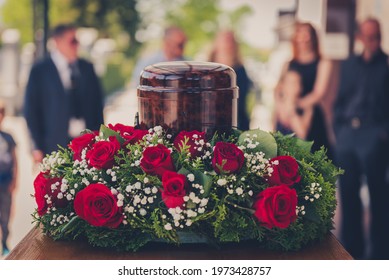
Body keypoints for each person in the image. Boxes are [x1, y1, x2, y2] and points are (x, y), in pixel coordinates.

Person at [333, 18, 389, 260]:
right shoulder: (349, 65)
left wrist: (382, 133)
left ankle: (379, 255)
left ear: (381, 37)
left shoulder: (386, 65)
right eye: (368, 36)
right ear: (360, 37)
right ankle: (350, 251)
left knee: (378, 196)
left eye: (376, 36)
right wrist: (338, 130)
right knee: (348, 193)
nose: (372, 41)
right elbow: (341, 98)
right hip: (348, 134)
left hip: (374, 135)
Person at [24, 23, 104, 163]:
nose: (76, 45)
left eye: (77, 41)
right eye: (72, 41)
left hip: (87, 145)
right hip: (54, 145)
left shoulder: (87, 67)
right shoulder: (40, 71)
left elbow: (97, 105)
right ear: (57, 41)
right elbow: (31, 110)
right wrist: (35, 146)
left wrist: (100, 139)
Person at [275, 22, 332, 157]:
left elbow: (318, 93)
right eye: (299, 35)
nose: (303, 39)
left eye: (307, 35)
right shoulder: (288, 64)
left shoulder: (323, 62)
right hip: (286, 113)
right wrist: (283, 110)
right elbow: (278, 90)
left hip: (310, 113)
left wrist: (294, 107)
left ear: (313, 38)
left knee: (312, 159)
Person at [208, 30, 252, 131]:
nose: (227, 44)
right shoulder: (208, 67)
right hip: (211, 118)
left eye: (230, 40)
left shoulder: (240, 69)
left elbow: (241, 100)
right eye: (224, 40)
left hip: (236, 120)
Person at [273, 70, 314, 140]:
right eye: (289, 82)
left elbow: (302, 134)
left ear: (300, 87)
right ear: (282, 86)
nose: (292, 85)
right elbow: (275, 132)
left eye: (295, 82)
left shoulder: (306, 108)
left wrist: (291, 106)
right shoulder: (279, 106)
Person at [0, 100, 17, 256]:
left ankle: (4, 243)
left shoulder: (8, 137)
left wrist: (15, 180)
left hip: (5, 181)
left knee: (5, 215)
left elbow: (14, 159)